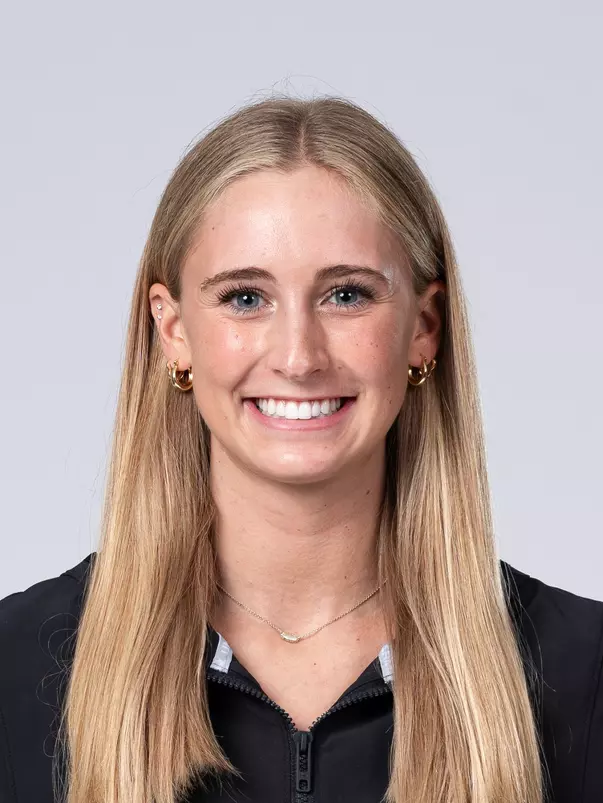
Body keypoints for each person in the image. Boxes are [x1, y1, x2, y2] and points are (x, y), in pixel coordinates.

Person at [1, 95, 602, 803]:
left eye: (346, 295)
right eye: (245, 298)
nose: (298, 356)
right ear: (173, 332)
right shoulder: (17, 666)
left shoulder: (583, 672)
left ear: (424, 327)